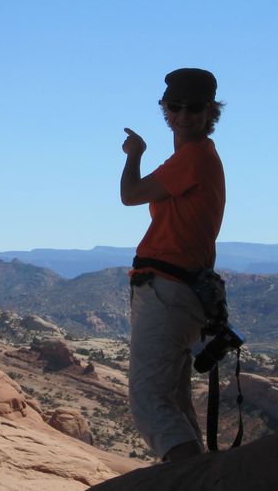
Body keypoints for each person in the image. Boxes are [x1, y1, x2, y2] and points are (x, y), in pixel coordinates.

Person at [120, 67, 225, 462]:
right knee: (175, 403)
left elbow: (130, 194)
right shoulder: (194, 158)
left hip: (168, 292)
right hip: (177, 291)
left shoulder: (194, 157)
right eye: (175, 106)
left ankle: (189, 479)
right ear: (165, 108)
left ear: (210, 111)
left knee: (149, 402)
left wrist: (135, 155)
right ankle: (198, 476)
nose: (183, 115)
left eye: (194, 108)